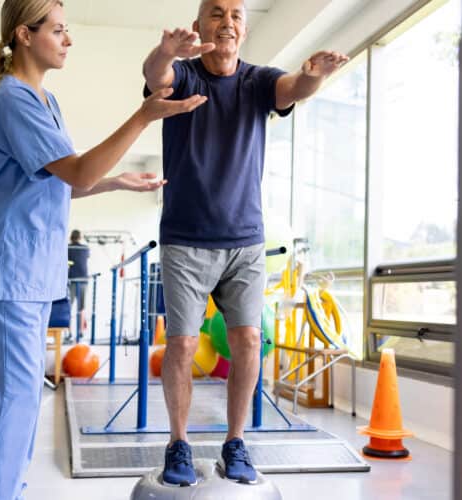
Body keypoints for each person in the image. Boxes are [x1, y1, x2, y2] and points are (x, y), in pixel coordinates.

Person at [0, 1, 207, 498]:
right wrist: (143, 115)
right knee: (9, 404)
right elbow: (75, 171)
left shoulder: (44, 100)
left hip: (26, 270)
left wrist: (115, 181)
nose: (68, 39)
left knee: (22, 403)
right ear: (25, 36)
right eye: (58, 30)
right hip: (7, 267)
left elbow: (59, 181)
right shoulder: (12, 100)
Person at [142, 0, 349, 486]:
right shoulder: (186, 77)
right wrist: (164, 52)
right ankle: (178, 444)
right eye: (216, 13)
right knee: (183, 343)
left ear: (244, 28)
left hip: (244, 241)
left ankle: (235, 443)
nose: (227, 21)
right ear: (199, 26)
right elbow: (156, 77)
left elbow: (292, 88)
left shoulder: (258, 81)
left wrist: (314, 76)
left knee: (249, 339)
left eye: (235, 14)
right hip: (186, 239)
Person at [67, 229, 90, 331]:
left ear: (71, 237)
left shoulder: (68, 247)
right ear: (80, 238)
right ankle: (81, 331)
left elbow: (67, 261)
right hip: (83, 280)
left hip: (71, 280)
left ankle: (69, 332)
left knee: (68, 307)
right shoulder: (86, 248)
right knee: (82, 308)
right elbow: (86, 258)